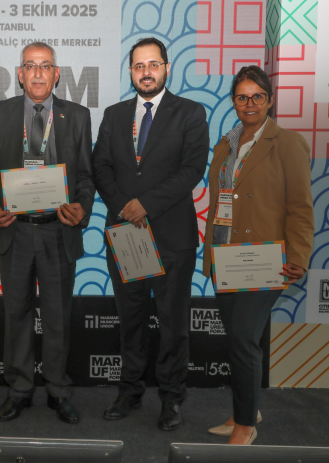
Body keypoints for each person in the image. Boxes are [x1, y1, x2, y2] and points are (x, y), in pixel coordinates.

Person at [0, 42, 95, 424]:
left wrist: (82, 207)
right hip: (16, 231)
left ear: (56, 74)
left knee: (58, 316)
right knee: (17, 315)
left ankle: (58, 390)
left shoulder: (77, 115)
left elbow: (86, 177)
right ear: (20, 74)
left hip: (59, 231)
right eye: (30, 65)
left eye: (45, 66)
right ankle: (20, 389)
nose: (38, 73)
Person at [92, 37, 209, 430]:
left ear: (167, 68)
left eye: (153, 64)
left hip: (172, 237)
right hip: (126, 233)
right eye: (139, 66)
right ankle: (129, 391)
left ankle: (172, 398)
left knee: (173, 324)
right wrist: (124, 206)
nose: (146, 72)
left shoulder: (190, 112)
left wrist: (146, 204)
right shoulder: (114, 115)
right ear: (130, 71)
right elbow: (100, 166)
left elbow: (192, 169)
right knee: (131, 319)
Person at [203, 65, 314, 445]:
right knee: (237, 340)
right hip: (226, 256)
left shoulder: (288, 143)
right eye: (242, 97)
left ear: (270, 100)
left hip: (266, 258)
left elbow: (300, 206)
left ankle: (246, 426)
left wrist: (298, 254)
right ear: (233, 102)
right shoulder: (226, 144)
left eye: (257, 96)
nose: (249, 103)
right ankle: (245, 411)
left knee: (243, 338)